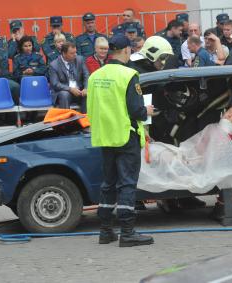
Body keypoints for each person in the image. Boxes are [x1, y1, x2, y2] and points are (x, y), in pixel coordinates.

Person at [87, 34, 154, 247]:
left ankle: (106, 231)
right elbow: (136, 110)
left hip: (105, 137)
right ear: (126, 51)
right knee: (127, 184)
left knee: (108, 184)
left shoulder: (95, 76)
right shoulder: (128, 74)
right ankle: (127, 233)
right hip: (125, 136)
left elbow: (90, 108)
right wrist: (147, 111)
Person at [49, 42, 89, 112]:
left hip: (79, 91)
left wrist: (86, 88)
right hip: (65, 91)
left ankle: (85, 120)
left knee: (87, 94)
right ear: (64, 53)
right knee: (64, 94)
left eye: (75, 52)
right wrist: (70, 89)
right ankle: (66, 121)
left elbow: (86, 75)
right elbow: (55, 84)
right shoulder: (54, 65)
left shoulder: (80, 60)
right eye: (72, 53)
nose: (75, 55)